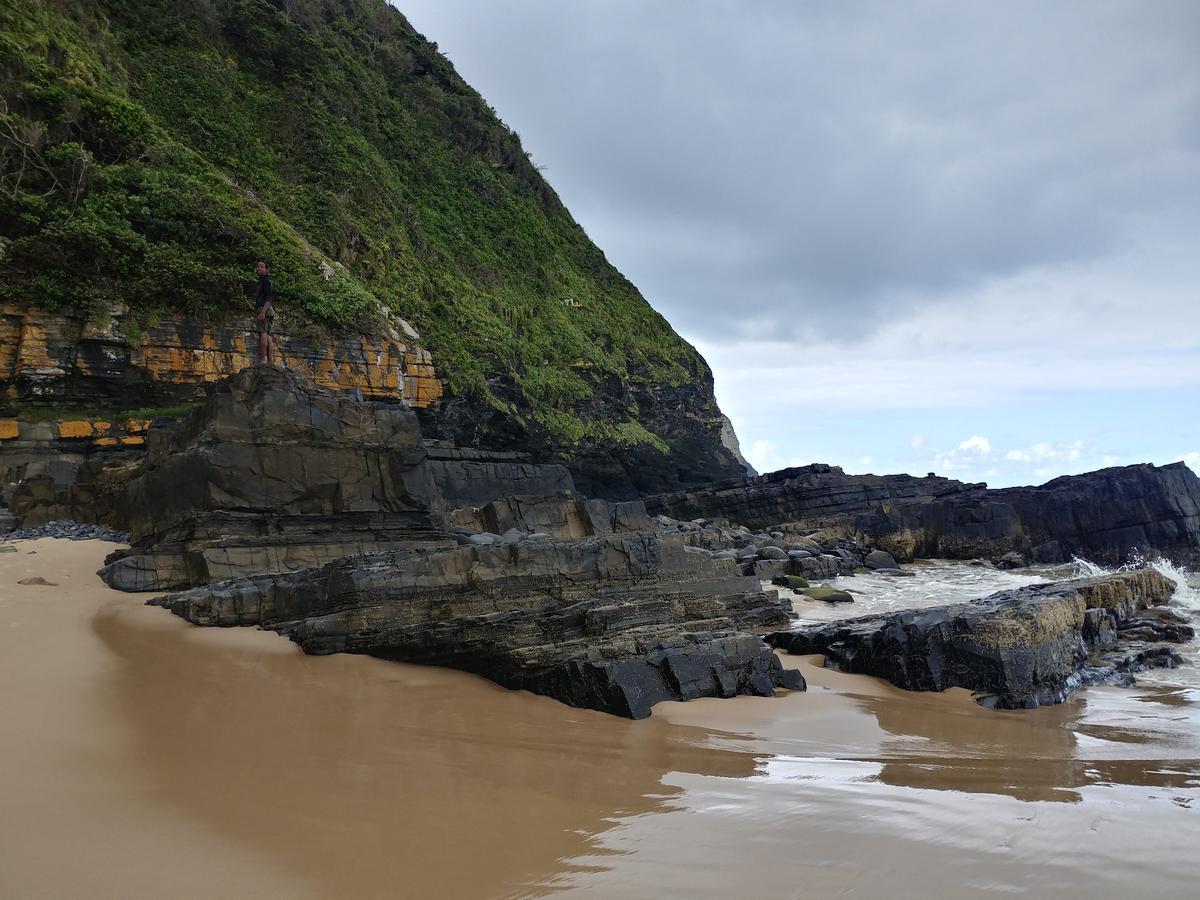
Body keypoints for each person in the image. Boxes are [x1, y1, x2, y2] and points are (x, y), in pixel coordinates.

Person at [253, 260, 276, 365]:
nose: (259, 268)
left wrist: (262, 312)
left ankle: (262, 360)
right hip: (268, 310)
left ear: (266, 269)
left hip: (264, 309)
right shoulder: (263, 281)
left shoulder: (265, 281)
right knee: (268, 334)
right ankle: (270, 361)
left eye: (262, 267)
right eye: (258, 267)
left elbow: (268, 298)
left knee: (262, 333)